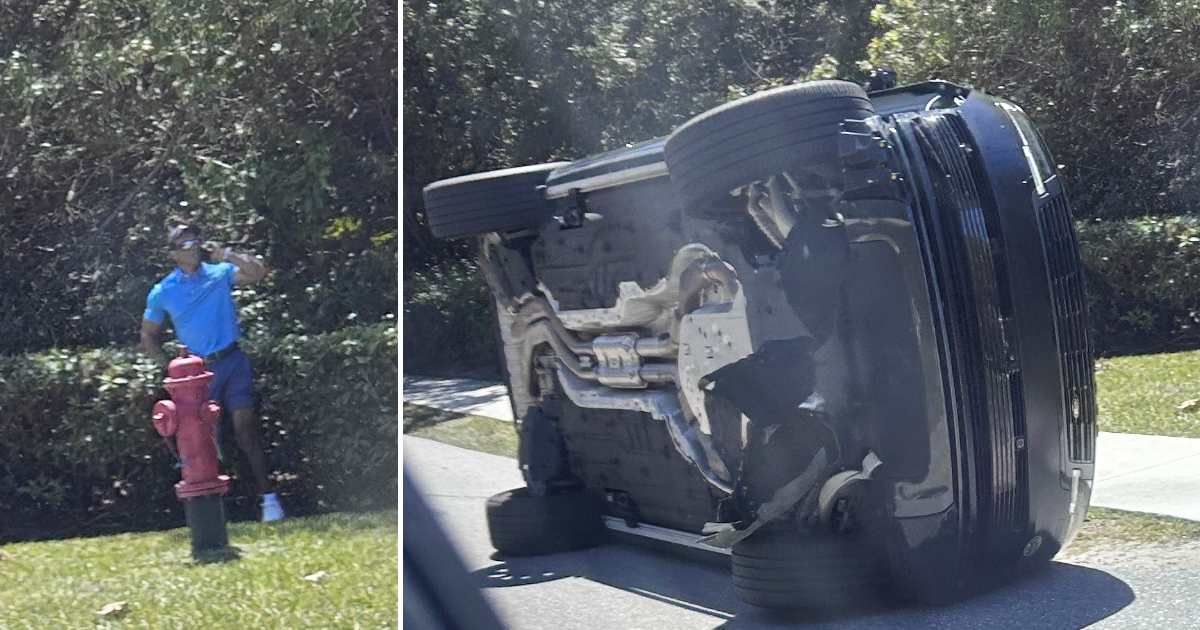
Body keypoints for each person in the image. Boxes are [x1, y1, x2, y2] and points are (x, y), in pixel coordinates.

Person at [140, 222, 285, 522]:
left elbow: (258, 272)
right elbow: (148, 335)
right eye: (184, 245)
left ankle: (269, 500)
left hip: (233, 361)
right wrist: (169, 369)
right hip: (197, 375)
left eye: (195, 242)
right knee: (205, 441)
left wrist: (227, 254)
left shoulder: (219, 273)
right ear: (172, 254)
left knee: (245, 428)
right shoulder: (163, 291)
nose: (192, 249)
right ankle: (215, 511)